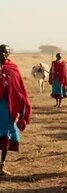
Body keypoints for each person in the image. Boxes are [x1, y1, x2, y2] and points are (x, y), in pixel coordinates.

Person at [0, 44, 31, 176]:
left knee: (6, 135)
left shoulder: (13, 68)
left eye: (5, 52)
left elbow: (20, 89)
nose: (2, 55)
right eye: (1, 52)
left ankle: (2, 165)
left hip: (7, 107)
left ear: (8, 54)